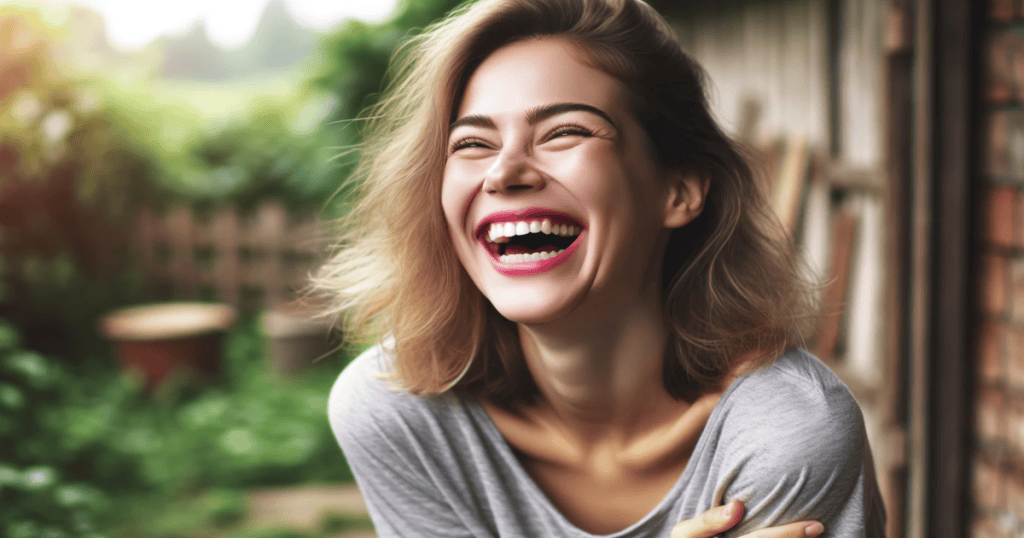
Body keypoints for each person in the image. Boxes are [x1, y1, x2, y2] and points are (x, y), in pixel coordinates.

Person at [315, 0, 887, 536]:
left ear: (680, 191)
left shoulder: (786, 432)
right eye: (472, 144)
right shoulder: (399, 413)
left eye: (565, 131)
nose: (505, 172)